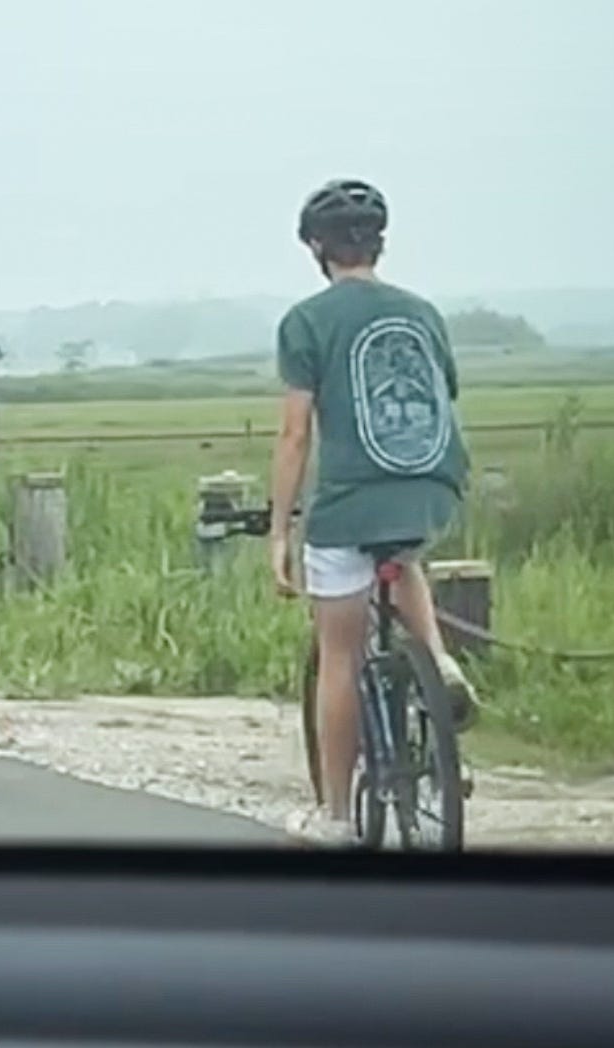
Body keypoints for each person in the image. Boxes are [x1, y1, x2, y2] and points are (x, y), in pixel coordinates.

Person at [268, 178, 479, 846]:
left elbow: (297, 435)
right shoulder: (423, 313)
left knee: (339, 652)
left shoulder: (306, 322)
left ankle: (334, 816)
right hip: (431, 485)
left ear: (315, 248)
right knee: (402, 554)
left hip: (351, 498)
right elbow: (442, 395)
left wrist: (281, 530)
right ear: (378, 245)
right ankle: (441, 662)